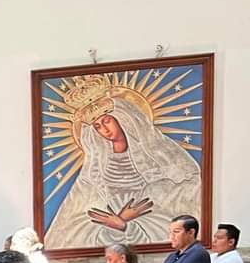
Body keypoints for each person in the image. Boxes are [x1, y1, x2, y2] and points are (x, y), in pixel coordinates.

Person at [45, 90, 202, 248]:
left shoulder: (156, 153)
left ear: (123, 118)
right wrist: (117, 220)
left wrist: (145, 202)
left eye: (107, 121)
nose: (104, 130)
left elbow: (186, 185)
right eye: (97, 126)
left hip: (149, 215)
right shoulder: (95, 165)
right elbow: (79, 203)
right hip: (106, 222)